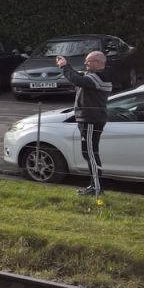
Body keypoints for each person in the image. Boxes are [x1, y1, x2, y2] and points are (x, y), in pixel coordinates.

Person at [56, 50, 112, 196]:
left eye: (89, 60)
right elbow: (78, 77)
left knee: (91, 154)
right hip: (89, 120)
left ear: (99, 62)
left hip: (91, 121)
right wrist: (67, 66)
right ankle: (94, 186)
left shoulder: (99, 77)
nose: (86, 63)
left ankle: (97, 188)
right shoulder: (93, 76)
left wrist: (64, 66)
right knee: (89, 153)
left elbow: (77, 80)